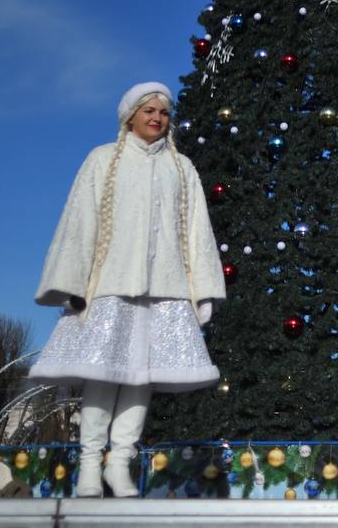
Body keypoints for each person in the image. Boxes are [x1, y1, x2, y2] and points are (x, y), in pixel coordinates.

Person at [30, 82, 225, 497]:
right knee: (101, 375)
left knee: (141, 379)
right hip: (111, 285)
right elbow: (81, 221)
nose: (157, 117)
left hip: (165, 288)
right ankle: (87, 466)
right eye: (149, 110)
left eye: (164, 112)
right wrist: (71, 282)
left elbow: (197, 232)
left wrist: (202, 289)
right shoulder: (102, 160)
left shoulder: (182, 167)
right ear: (130, 115)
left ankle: (120, 463)